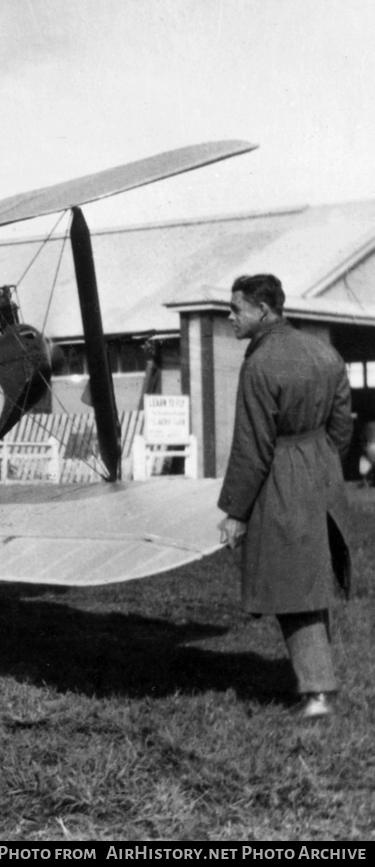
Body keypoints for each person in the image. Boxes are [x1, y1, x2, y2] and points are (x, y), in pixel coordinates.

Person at [216, 274, 353, 720]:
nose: (230, 317)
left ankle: (318, 695)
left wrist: (236, 512)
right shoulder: (324, 351)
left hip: (282, 478)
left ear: (264, 311)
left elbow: (252, 447)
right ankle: (319, 684)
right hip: (322, 475)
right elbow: (342, 428)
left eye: (237, 309)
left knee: (294, 591)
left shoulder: (260, 365)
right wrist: (323, 463)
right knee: (308, 584)